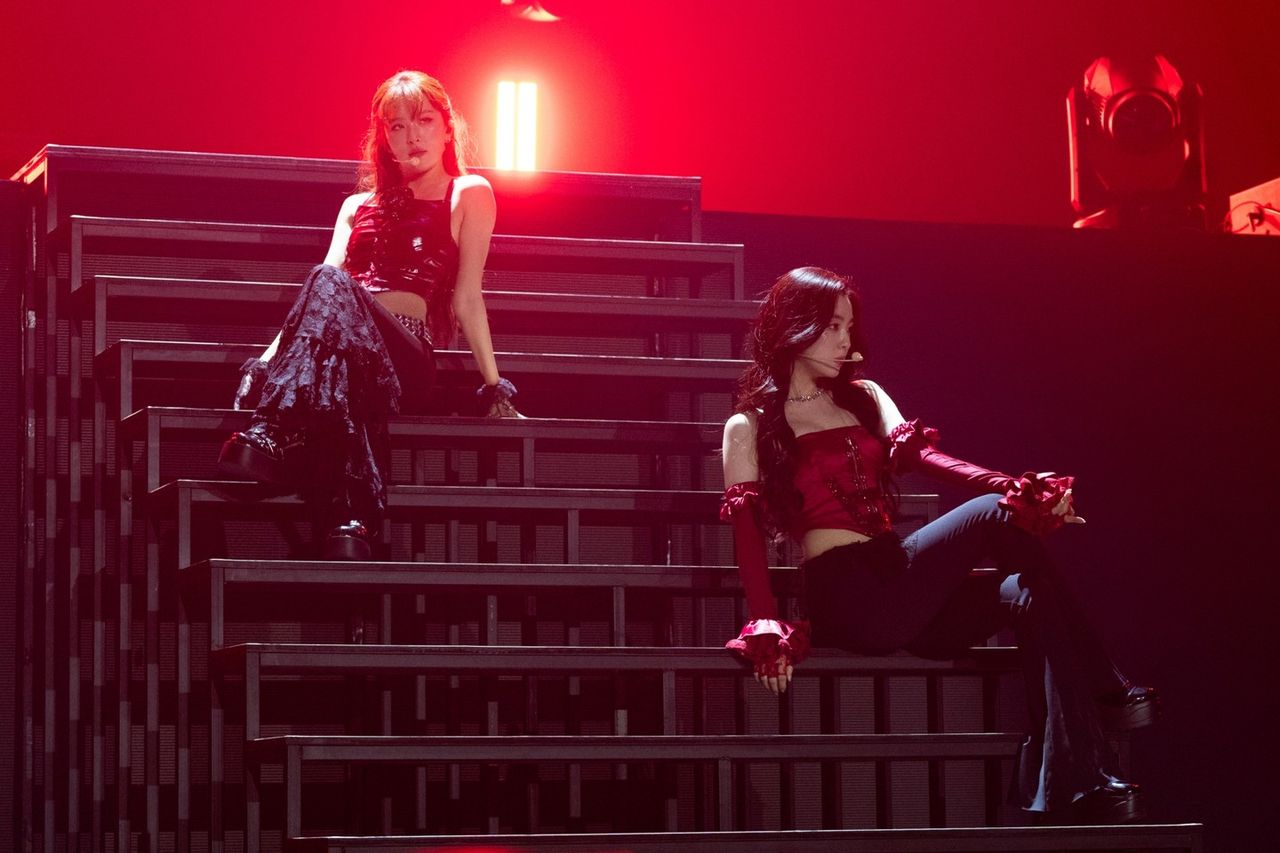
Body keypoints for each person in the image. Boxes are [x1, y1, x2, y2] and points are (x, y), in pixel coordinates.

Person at [720, 267, 1159, 824]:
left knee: (1029, 592)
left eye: (849, 327)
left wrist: (1020, 489)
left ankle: (1076, 780)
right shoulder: (750, 425)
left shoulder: (865, 397)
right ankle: (1107, 691)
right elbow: (747, 540)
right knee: (997, 513)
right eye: (832, 327)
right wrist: (765, 625)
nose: (846, 341)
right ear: (794, 326)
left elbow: (929, 459)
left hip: (902, 583)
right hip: (851, 597)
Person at [217, 70, 521, 560]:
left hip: (406, 356)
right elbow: (317, 296)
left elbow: (467, 296)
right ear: (385, 140)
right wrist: (266, 361)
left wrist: (494, 388)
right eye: (398, 126)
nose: (413, 135)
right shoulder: (356, 205)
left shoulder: (469, 192)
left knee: (330, 283)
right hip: (350, 352)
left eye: (424, 121)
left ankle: (278, 430)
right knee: (333, 315)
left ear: (448, 129)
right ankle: (351, 519)